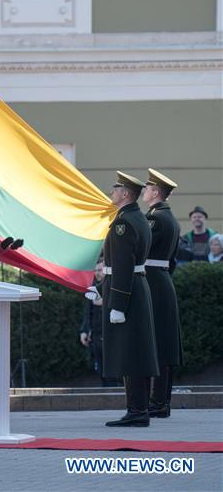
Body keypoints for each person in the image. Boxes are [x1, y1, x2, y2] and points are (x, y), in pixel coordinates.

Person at [99, 172, 159, 427]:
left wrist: (117, 305)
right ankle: (139, 408)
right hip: (136, 287)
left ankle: (136, 410)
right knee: (137, 351)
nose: (112, 191)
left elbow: (123, 266)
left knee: (130, 353)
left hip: (128, 292)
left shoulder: (124, 223)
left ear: (125, 194)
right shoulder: (136, 217)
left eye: (116, 188)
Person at [142, 169, 183, 418]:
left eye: (147, 188)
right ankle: (160, 401)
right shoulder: (170, 219)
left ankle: (157, 402)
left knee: (157, 344)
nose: (144, 192)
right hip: (163, 280)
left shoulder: (156, 219)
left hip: (154, 283)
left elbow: (141, 250)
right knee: (164, 343)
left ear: (156, 192)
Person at [80, 260, 118, 386]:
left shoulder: (113, 286)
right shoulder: (93, 288)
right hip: (96, 335)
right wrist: (84, 331)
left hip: (111, 334)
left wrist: (104, 302)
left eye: (99, 270)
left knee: (112, 366)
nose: (97, 273)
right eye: (95, 271)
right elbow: (88, 311)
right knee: (100, 368)